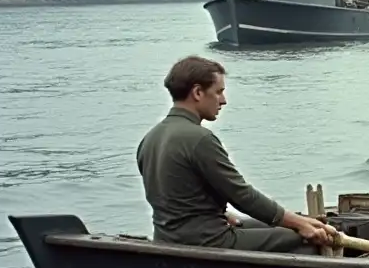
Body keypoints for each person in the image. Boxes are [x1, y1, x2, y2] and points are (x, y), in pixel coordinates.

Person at [136, 56, 340, 253]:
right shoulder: (200, 139)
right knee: (308, 238)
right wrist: (301, 224)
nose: (223, 101)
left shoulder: (150, 138)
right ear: (198, 92)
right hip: (208, 241)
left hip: (167, 237)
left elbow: (177, 195)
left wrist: (222, 213)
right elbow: (242, 196)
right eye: (218, 92)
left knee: (287, 225)